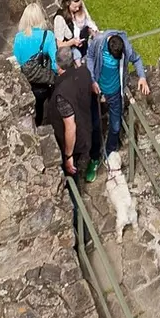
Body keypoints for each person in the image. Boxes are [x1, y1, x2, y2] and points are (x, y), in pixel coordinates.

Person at [48, 50, 97, 226]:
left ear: (57, 65)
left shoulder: (62, 93)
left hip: (75, 142)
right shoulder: (84, 72)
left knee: (72, 184)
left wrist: (68, 156)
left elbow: (70, 127)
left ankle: (79, 226)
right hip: (87, 129)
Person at [91, 29, 150, 160]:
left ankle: (109, 152)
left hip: (115, 93)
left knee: (116, 127)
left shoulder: (125, 48)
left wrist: (142, 77)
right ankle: (94, 156)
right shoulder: (99, 43)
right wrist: (92, 80)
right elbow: (89, 57)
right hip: (97, 91)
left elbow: (137, 59)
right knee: (94, 125)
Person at [11, 2, 58, 127]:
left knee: (34, 110)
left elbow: (17, 61)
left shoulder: (19, 38)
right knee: (46, 107)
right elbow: (55, 63)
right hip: (45, 84)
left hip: (28, 82)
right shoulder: (48, 36)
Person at [53, 0, 98, 70]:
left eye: (79, 6)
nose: (77, 9)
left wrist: (93, 31)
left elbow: (88, 21)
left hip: (84, 44)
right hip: (72, 53)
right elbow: (60, 45)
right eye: (75, 7)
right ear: (68, 3)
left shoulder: (80, 6)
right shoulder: (60, 19)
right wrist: (73, 42)